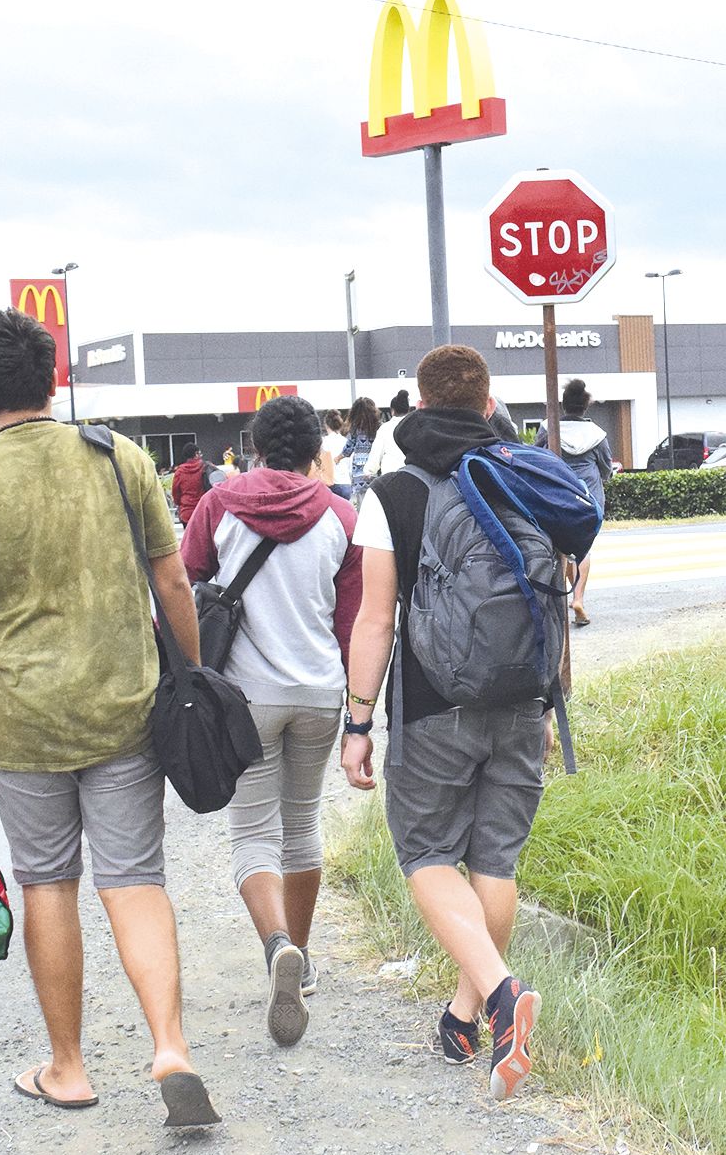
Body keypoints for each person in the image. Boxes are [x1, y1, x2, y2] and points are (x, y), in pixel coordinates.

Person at [0, 309, 219, 1128]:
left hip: (26, 724)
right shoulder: (119, 458)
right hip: (124, 710)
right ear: (51, 381)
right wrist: (188, 677)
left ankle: (69, 1067)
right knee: (135, 879)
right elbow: (174, 584)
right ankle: (169, 1047)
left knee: (48, 881)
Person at [341, 344, 545, 1100]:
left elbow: (374, 619)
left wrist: (357, 721)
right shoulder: (527, 475)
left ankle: (496, 993)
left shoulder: (393, 491)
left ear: (418, 407)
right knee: (494, 861)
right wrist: (550, 700)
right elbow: (552, 598)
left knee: (425, 851)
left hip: (432, 703)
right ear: (489, 404)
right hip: (523, 696)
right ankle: (465, 1017)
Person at [181, 397, 361, 1048]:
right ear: (318, 449)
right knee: (302, 824)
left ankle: (276, 943)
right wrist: (361, 717)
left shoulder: (218, 506)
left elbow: (183, 586)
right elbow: (353, 625)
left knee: (253, 834)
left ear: (254, 444)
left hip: (243, 700)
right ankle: (302, 960)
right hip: (320, 693)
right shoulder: (342, 515)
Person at [533, 379, 612, 626]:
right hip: (588, 495)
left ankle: (571, 593)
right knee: (583, 546)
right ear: (585, 406)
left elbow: (536, 455)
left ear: (563, 405)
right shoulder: (597, 435)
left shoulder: (549, 427)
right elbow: (606, 467)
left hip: (556, 492)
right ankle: (578, 597)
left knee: (562, 546)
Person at [368, 389, 414, 479]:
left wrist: (370, 470)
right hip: (412, 475)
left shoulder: (385, 428)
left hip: (389, 475)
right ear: (408, 410)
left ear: (392, 411)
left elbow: (376, 453)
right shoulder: (415, 426)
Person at [342, 397, 381, 502]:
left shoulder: (355, 428)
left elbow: (348, 449)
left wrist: (338, 458)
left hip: (359, 472)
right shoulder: (378, 428)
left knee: (361, 503)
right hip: (374, 470)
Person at [172, 446, 210, 524]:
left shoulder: (180, 472)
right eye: (200, 454)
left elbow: (175, 492)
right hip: (203, 511)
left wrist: (180, 504)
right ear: (196, 454)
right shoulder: (205, 468)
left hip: (186, 513)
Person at [318, 410, 348, 491]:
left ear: (326, 424)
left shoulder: (324, 442)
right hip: (347, 483)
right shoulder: (346, 441)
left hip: (332, 484)